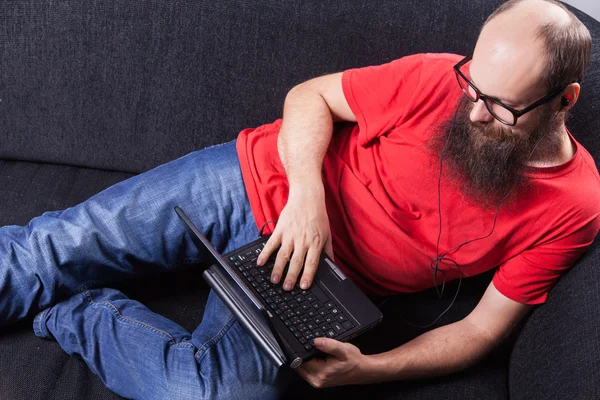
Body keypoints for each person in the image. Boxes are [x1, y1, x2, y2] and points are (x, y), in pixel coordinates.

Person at [1, 0, 598, 398]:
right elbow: (310, 96)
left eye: (500, 107)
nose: (470, 110)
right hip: (254, 181)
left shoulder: (574, 207)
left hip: (312, 282)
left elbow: (482, 330)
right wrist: (307, 195)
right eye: (474, 85)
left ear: (564, 100)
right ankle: (50, 281)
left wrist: (371, 370)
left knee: (209, 394)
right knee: (44, 253)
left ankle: (69, 308)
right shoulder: (439, 77)